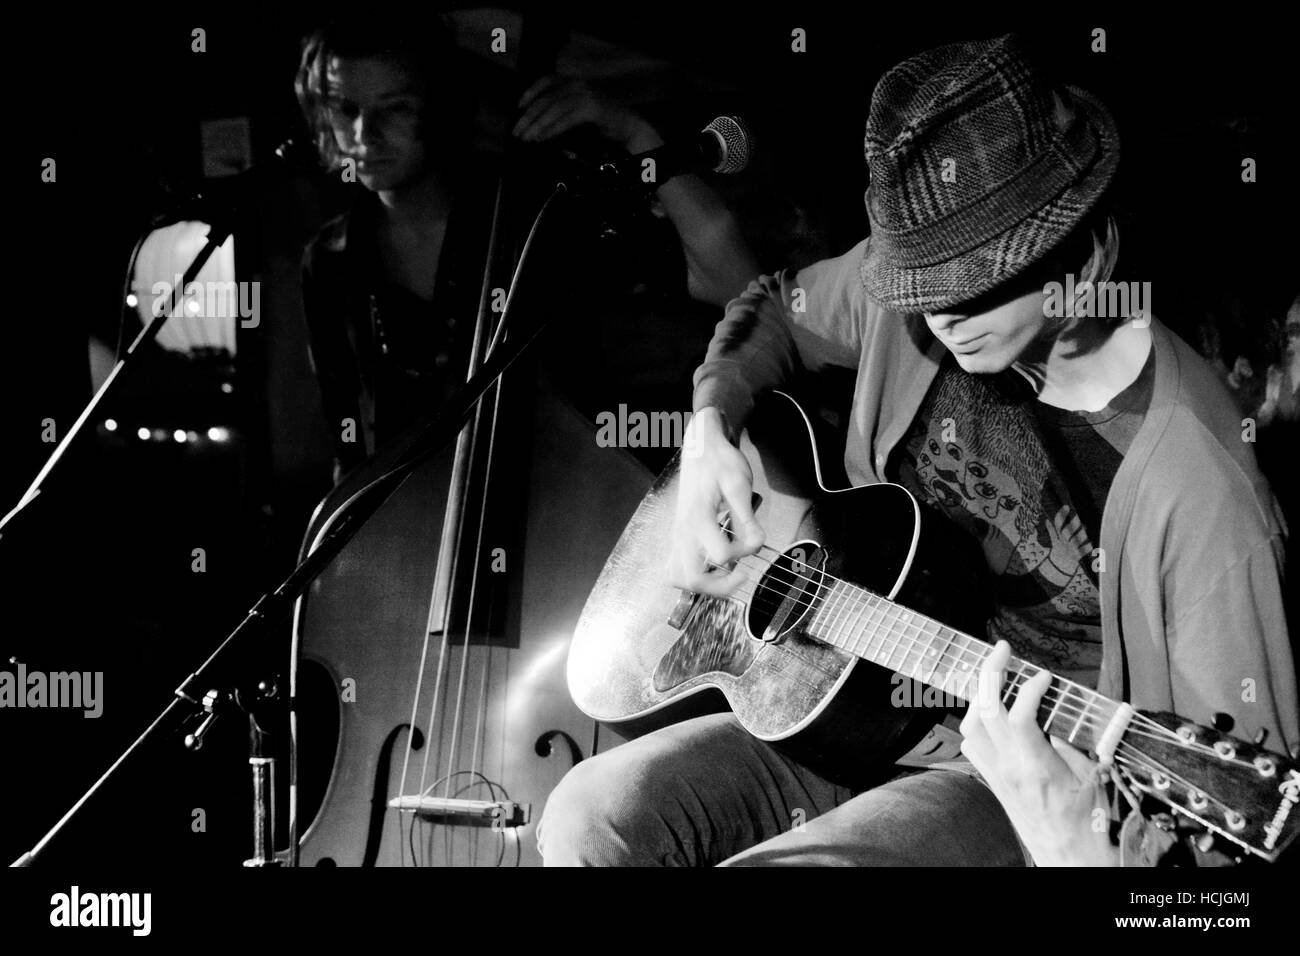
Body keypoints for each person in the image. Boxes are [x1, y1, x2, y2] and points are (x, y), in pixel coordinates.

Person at [537, 34, 1298, 866]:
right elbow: (771, 309)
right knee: (588, 814)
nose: (936, 313)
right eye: (919, 283)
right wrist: (710, 430)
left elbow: (1225, 883)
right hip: (836, 687)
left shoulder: (1203, 493)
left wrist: (1083, 848)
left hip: (1012, 775)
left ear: (1089, 257)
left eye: (970, 283)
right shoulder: (920, 295)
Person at [294, 17, 758, 478]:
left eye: (394, 108)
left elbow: (732, 280)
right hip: (403, 530)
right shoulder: (329, 257)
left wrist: (634, 131)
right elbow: (348, 438)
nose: (363, 134)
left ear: (437, 105)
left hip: (562, 496)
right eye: (344, 108)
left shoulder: (534, 209)